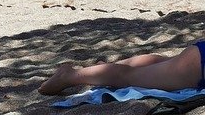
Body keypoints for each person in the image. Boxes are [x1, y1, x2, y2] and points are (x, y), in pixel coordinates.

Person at [38, 42, 205, 95]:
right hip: (198, 67)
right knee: (129, 77)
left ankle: (102, 70)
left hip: (197, 58)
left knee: (166, 63)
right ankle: (70, 75)